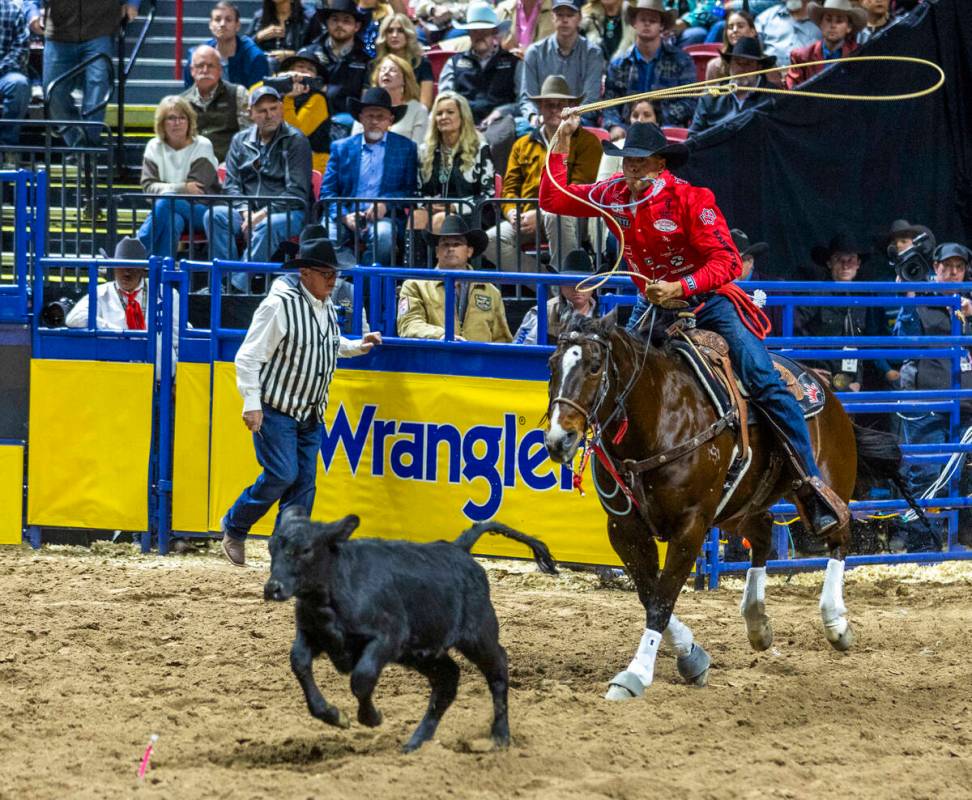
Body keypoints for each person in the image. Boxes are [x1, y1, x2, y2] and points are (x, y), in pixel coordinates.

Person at [539, 117, 850, 537]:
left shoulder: (692, 199)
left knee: (763, 378)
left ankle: (811, 483)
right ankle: (625, 481)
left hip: (707, 305)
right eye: (627, 162)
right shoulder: (614, 195)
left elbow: (728, 263)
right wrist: (560, 142)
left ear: (660, 164)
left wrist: (680, 285)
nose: (631, 171)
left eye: (640, 162)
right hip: (650, 306)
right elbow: (554, 199)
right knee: (616, 376)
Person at [221, 226, 382, 566]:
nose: (333, 280)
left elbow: (325, 343)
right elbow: (248, 357)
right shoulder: (279, 304)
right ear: (304, 273)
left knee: (303, 485)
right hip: (276, 408)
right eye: (327, 273)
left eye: (335, 274)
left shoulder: (324, 305)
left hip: (310, 411)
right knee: (283, 474)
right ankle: (235, 525)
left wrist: (357, 346)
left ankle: (285, 552)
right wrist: (251, 403)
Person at [891, 242, 972, 552]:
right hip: (926, 397)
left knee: (961, 471)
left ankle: (959, 535)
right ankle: (922, 540)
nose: (953, 273)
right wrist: (909, 298)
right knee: (925, 469)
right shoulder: (919, 298)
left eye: (959, 267)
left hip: (963, 397)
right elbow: (902, 340)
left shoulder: (967, 301)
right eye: (947, 267)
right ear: (934, 268)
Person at [486, 75, 601, 272]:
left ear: (571, 107)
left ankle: (566, 288)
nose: (555, 110)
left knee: (554, 215)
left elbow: (579, 188)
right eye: (549, 105)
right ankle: (548, 287)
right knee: (491, 241)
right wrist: (513, 212)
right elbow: (510, 187)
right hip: (525, 216)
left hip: (572, 216)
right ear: (540, 108)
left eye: (560, 105)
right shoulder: (522, 145)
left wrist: (539, 214)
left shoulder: (588, 142)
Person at [206, 86, 312, 270]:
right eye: (262, 111)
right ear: (251, 113)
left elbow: (297, 192)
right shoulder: (240, 140)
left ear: (281, 109)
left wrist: (261, 215)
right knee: (214, 216)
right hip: (248, 211)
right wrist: (247, 214)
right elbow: (231, 186)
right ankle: (224, 278)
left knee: (268, 225)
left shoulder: (296, 140)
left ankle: (238, 286)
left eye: (274, 108)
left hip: (289, 213)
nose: (269, 115)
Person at [320, 86, 418, 266]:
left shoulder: (406, 148)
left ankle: (364, 288)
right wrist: (343, 216)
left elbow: (409, 193)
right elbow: (327, 192)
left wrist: (385, 204)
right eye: (369, 116)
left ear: (391, 120)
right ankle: (345, 283)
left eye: (380, 116)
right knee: (327, 237)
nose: (374, 121)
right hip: (346, 214)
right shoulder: (341, 148)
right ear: (360, 118)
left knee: (385, 237)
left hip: (383, 218)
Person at [397, 215, 513, 342]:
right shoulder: (415, 285)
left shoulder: (491, 291)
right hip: (435, 359)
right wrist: (441, 335)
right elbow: (409, 324)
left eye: (457, 244)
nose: (451, 248)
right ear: (437, 251)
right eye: (445, 244)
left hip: (478, 360)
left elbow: (501, 338)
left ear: (469, 251)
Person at [437, 4, 520, 174]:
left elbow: (523, 101)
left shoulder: (513, 62)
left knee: (499, 136)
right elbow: (444, 99)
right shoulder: (454, 63)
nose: (480, 35)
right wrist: (463, 119)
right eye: (475, 31)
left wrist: (502, 111)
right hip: (461, 120)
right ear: (469, 33)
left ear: (494, 33)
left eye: (485, 31)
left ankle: (495, 190)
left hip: (499, 121)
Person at [43, 0, 139, 148]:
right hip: (58, 32)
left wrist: (133, 2)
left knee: (99, 86)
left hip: (100, 28)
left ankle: (87, 149)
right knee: (53, 92)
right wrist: (32, 11)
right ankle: (80, 146)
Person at [137, 96, 221, 259]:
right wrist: (181, 188)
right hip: (167, 211)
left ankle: (132, 253)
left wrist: (166, 189)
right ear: (162, 123)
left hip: (202, 212)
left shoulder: (202, 145)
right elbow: (148, 189)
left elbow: (197, 190)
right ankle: (162, 280)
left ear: (190, 122)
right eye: (171, 118)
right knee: (172, 221)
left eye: (182, 118)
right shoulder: (154, 147)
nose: (177, 123)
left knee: (168, 200)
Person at [603, 0, 697, 135]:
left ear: (662, 26)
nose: (647, 23)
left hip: (666, 131)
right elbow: (609, 103)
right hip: (626, 131)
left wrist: (656, 119)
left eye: (652, 20)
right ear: (634, 23)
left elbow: (690, 101)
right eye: (642, 19)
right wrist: (614, 126)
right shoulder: (618, 64)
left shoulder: (682, 61)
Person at [795, 233, 870, 392]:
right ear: (829, 263)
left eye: (851, 259)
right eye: (839, 259)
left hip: (850, 382)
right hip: (820, 379)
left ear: (858, 263)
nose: (845, 265)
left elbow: (860, 343)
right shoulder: (814, 295)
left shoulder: (861, 299)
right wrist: (806, 370)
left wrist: (857, 380)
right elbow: (793, 332)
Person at [415, 91, 495, 235]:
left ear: (462, 116)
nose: (443, 117)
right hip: (434, 212)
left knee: (441, 220)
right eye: (439, 113)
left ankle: (438, 258)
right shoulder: (425, 151)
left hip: (472, 215)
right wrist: (429, 204)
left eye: (450, 112)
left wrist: (454, 207)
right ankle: (415, 259)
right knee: (417, 217)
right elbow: (419, 192)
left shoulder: (479, 149)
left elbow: (488, 194)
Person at [519, 0, 604, 128]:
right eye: (560, 15)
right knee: (520, 127)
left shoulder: (592, 53)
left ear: (579, 18)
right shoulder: (534, 52)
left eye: (570, 15)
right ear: (552, 17)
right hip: (542, 120)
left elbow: (591, 100)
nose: (564, 20)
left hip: (579, 120)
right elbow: (527, 97)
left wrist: (570, 118)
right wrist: (533, 116)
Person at [259, 47, 332, 172]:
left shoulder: (318, 99)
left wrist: (289, 100)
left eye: (310, 70)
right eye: (300, 66)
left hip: (311, 165)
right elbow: (253, 96)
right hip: (275, 160)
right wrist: (278, 80)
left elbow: (296, 134)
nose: (304, 71)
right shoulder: (276, 91)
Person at [310, 0, 371, 143]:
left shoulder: (366, 60)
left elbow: (365, 101)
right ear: (327, 23)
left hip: (348, 126)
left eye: (346, 21)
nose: (339, 25)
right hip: (311, 121)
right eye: (335, 19)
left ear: (357, 26)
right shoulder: (310, 54)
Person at [180, 44, 251, 162]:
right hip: (192, 167)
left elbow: (248, 137)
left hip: (231, 167)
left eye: (211, 66)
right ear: (192, 70)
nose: (205, 70)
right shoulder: (182, 102)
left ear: (220, 70)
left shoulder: (238, 94)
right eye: (200, 65)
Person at [689, 37, 774, 134]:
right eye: (737, 62)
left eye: (748, 63)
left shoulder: (772, 98)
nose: (742, 68)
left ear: (759, 67)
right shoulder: (710, 98)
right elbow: (692, 139)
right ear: (729, 65)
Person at [513, 248, 598, 344]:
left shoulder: (605, 311)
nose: (577, 288)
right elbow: (523, 350)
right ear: (561, 284)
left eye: (584, 282)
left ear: (594, 285)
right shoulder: (542, 312)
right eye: (571, 282)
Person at [66, 236, 151, 330]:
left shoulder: (160, 292)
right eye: (121, 267)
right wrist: (112, 330)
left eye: (132, 267)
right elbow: (73, 319)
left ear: (142, 270)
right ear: (114, 268)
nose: (126, 272)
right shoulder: (101, 293)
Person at [182, 2, 270, 90]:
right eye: (217, 19)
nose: (222, 24)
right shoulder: (197, 56)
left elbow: (258, 100)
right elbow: (188, 95)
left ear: (238, 25)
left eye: (228, 20)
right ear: (210, 25)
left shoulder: (255, 57)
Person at [786, 0, 863, 89]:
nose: (833, 25)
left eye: (839, 21)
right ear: (820, 24)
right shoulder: (802, 57)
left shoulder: (859, 54)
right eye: (828, 20)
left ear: (849, 28)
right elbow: (791, 94)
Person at [353, 53, 428, 143]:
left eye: (392, 70)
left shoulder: (418, 110)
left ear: (404, 79)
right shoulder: (364, 108)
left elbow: (418, 150)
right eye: (383, 69)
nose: (386, 72)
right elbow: (354, 145)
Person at [373, 13, 434, 109]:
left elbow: (425, 104)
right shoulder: (374, 65)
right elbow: (368, 100)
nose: (394, 35)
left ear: (408, 34)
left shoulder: (422, 63)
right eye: (390, 31)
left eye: (400, 31)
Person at [249, 0, 322, 66]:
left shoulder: (309, 17)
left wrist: (294, 55)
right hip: (265, 67)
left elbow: (317, 49)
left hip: (297, 68)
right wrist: (259, 37)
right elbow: (244, 48)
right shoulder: (260, 17)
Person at [0, 0, 29, 149]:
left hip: (5, 73)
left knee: (19, 84)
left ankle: (7, 145)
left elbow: (21, 49)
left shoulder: (13, 11)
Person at [756, 0, 820, 67]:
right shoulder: (766, 18)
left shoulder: (822, 22)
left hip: (810, 75)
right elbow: (752, 52)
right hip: (770, 73)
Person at [705, 9, 758, 80]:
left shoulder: (766, 65)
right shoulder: (714, 66)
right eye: (730, 27)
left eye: (740, 26)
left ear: (752, 32)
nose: (735, 30)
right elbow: (711, 91)